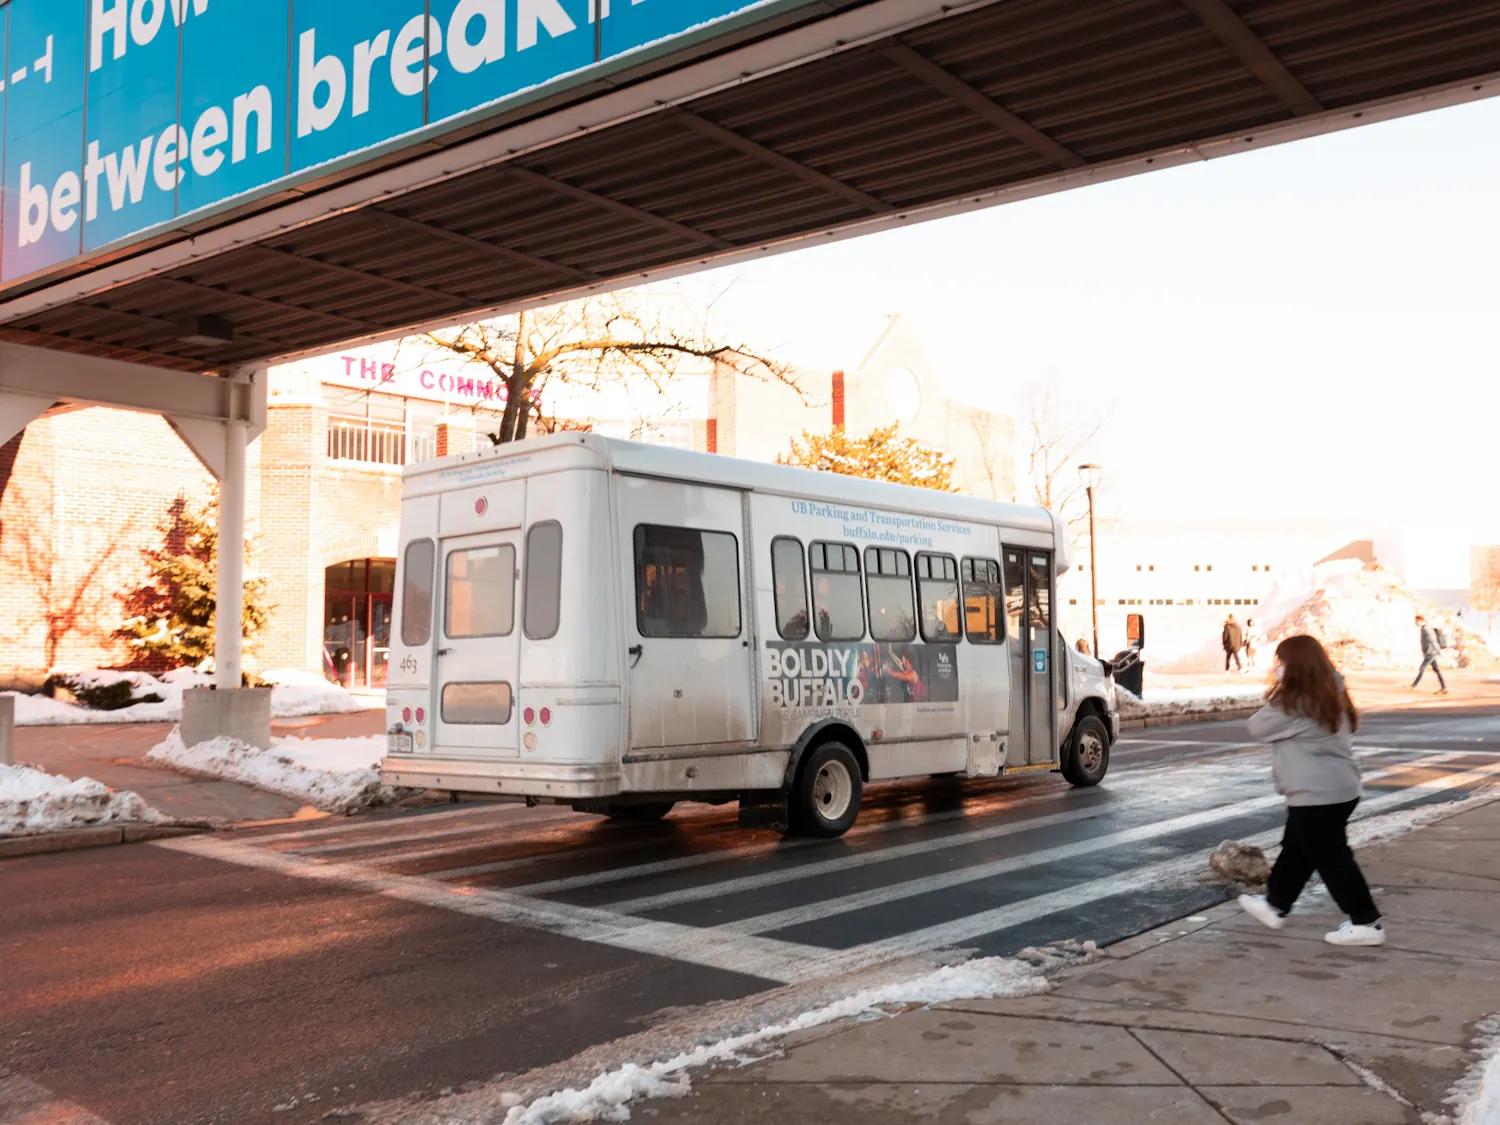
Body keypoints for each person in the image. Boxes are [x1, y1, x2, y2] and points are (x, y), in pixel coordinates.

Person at [1238, 635, 1384, 947]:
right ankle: (1275, 905)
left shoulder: (1298, 703)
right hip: (1336, 789)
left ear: (1295, 666)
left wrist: (1280, 690)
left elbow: (1257, 727)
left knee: (1332, 859)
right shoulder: (1331, 693)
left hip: (1317, 794)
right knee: (1298, 849)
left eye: (1282, 662)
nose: (1278, 668)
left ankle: (1366, 922)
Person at [1410, 615, 1448, 694]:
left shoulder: (1427, 628)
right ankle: (1443, 688)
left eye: (1416, 621)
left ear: (1420, 620)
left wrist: (1439, 651)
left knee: (1422, 668)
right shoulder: (1424, 628)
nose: (1415, 623)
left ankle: (1413, 685)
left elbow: (1433, 640)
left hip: (1431, 652)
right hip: (1430, 652)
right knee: (1436, 670)